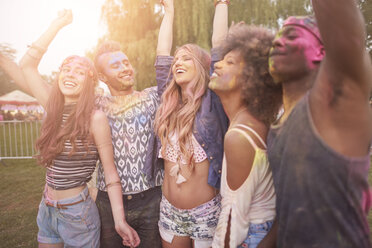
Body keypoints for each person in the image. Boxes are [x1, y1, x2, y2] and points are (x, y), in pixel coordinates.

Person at [1, 10, 139, 247]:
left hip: (77, 214)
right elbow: (26, 65)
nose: (70, 74)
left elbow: (110, 173)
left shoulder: (95, 118)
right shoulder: (52, 106)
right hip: (47, 209)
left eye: (78, 71)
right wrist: (57, 24)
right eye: (66, 69)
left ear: (90, 81)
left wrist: (120, 220)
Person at [267, 0, 372, 247]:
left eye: (291, 35)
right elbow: (288, 212)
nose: (277, 42)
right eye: (275, 39)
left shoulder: (334, 105)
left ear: (322, 51)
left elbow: (344, 31)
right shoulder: (276, 128)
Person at [146, 0, 228, 247]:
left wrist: (221, 4)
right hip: (170, 211)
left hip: (206, 214)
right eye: (176, 60)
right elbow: (162, 57)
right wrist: (169, 11)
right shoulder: (169, 103)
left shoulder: (213, 102)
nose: (177, 62)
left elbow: (220, 48)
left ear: (203, 68)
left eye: (186, 59)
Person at [208, 2, 282, 248]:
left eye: (229, 63)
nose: (217, 64)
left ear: (251, 77)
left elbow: (232, 222)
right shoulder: (253, 120)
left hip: (250, 236)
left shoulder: (238, 136)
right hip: (264, 229)